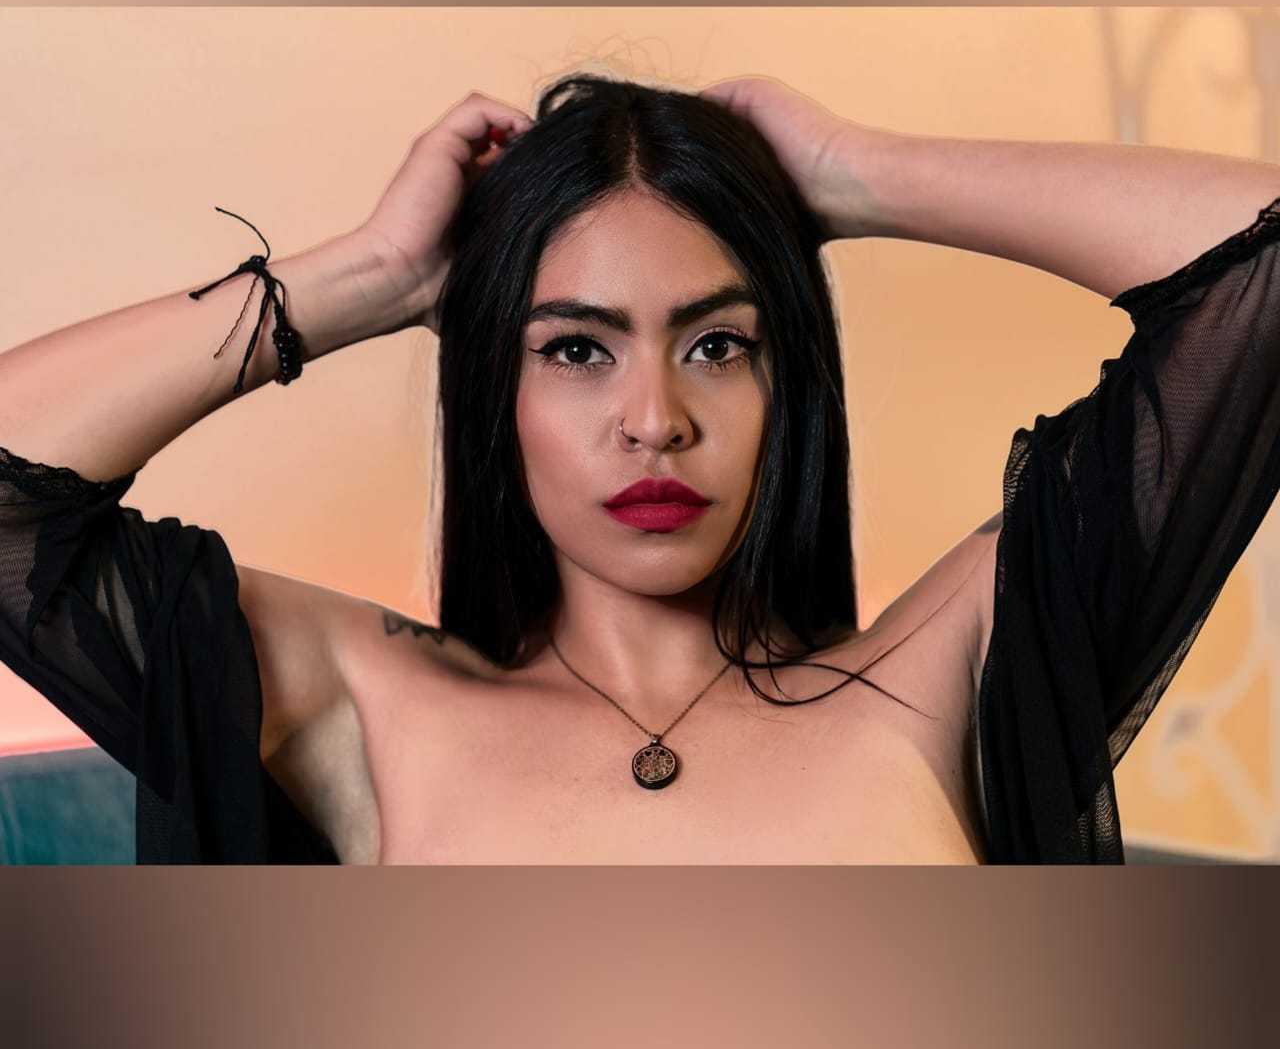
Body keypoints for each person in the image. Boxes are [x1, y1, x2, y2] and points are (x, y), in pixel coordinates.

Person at [2, 71, 1280, 864]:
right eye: (575, 349)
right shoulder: (363, 703)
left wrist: (851, 179)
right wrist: (369, 276)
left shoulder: (947, 668)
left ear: (788, 382)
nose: (655, 419)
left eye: (717, 343)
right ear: (493, 387)